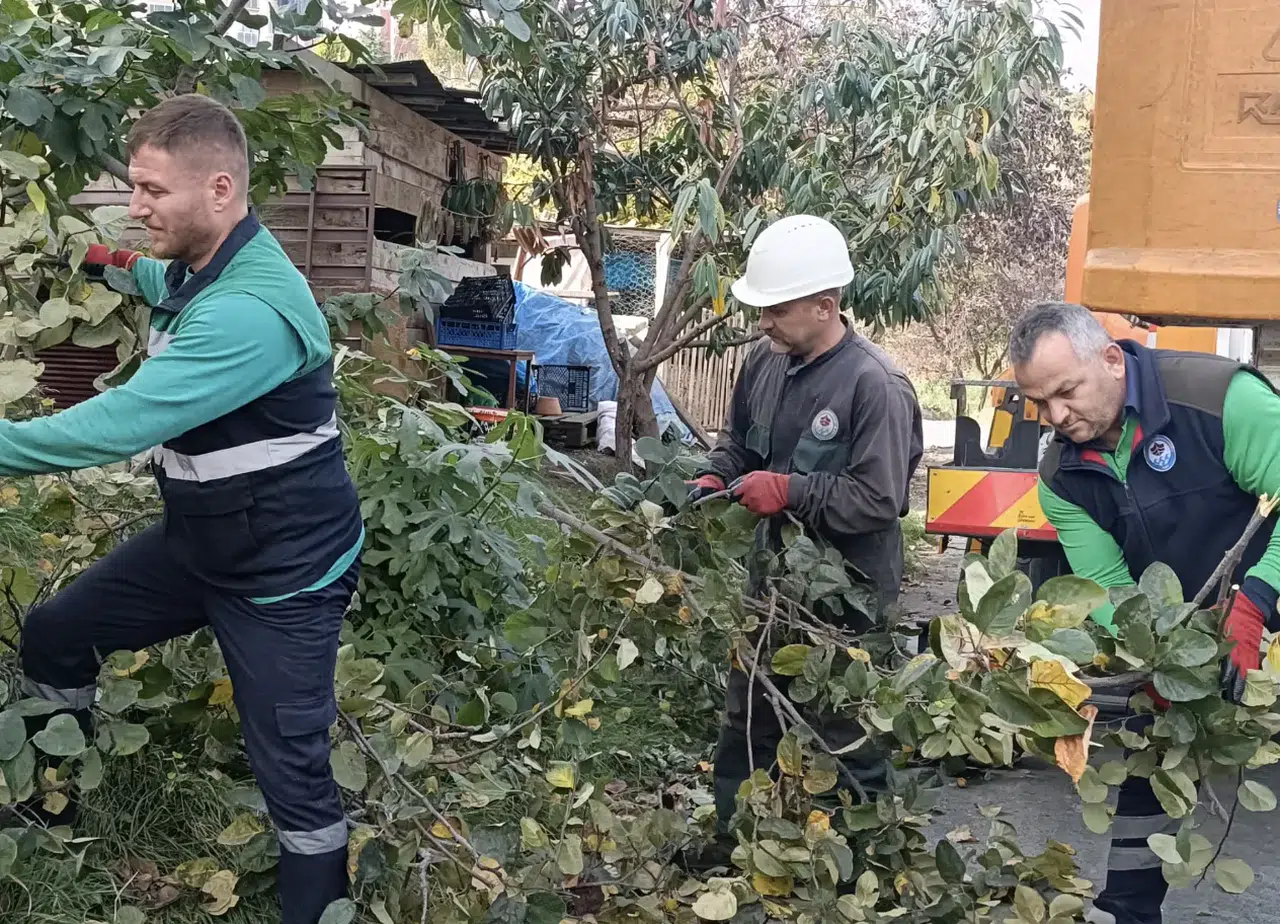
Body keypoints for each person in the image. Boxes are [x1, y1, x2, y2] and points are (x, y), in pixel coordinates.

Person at [4, 95, 364, 924]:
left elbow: (111, 426)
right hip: (200, 544)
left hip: (282, 573)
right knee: (57, 633)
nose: (134, 209)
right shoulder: (218, 263)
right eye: (132, 189)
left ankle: (316, 908)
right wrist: (96, 260)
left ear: (220, 188)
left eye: (151, 192)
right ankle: (50, 804)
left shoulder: (247, 315)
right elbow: (163, 278)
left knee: (292, 772)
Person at [1010, 302, 1280, 924]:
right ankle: (1130, 910)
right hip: (1187, 628)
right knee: (1147, 753)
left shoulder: (1218, 401)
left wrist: (1257, 602)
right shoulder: (1061, 474)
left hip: (1266, 591)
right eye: (1039, 403)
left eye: (1067, 392)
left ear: (1110, 359)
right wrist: (1155, 659)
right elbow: (1107, 587)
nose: (1057, 417)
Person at [686, 214, 924, 833]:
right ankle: (736, 843)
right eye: (761, 310)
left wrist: (789, 490)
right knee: (748, 717)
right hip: (770, 585)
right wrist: (717, 474)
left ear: (824, 305)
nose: (762, 323)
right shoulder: (766, 365)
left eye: (776, 310)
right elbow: (739, 442)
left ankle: (865, 858)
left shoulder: (876, 385)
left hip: (851, 594)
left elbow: (879, 499)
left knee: (843, 728)